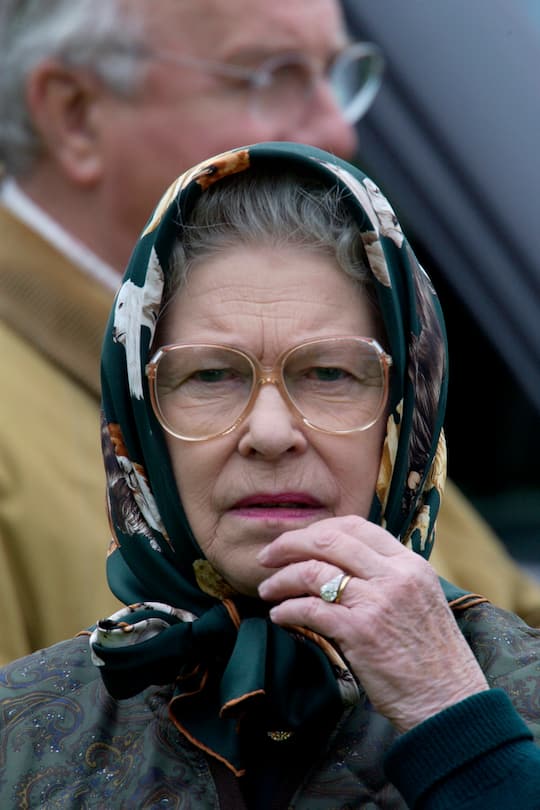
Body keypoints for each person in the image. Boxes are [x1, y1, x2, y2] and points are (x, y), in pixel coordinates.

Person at [1, 142, 539, 808]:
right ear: (139, 423)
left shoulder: (522, 692)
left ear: (405, 419)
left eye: (329, 374)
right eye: (210, 376)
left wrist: (456, 724)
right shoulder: (20, 732)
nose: (271, 433)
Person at [0, 0, 382, 663]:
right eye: (272, 75)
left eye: (334, 73)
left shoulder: (360, 383)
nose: (337, 131)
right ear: (76, 114)